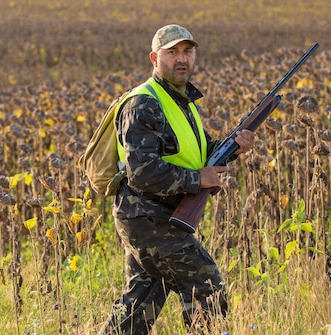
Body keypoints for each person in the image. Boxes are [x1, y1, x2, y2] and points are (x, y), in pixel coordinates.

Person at [99, 24, 255, 335]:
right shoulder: (144, 103)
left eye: (187, 51)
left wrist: (233, 147)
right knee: (206, 284)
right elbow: (141, 171)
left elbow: (198, 154)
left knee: (140, 304)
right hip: (148, 218)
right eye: (172, 52)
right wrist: (199, 179)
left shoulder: (182, 103)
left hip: (158, 216)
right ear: (154, 58)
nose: (181, 59)